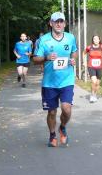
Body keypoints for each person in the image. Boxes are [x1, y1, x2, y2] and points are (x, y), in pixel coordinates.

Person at [32, 12, 77, 147]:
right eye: (56, 21)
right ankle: (52, 135)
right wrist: (46, 57)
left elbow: (74, 51)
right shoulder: (43, 40)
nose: (59, 24)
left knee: (66, 109)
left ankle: (62, 127)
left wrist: (73, 59)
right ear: (51, 23)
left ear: (65, 24)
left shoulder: (70, 37)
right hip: (49, 82)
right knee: (52, 112)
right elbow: (35, 59)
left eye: (61, 21)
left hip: (67, 80)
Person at [83, 34, 102, 103]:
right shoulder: (89, 47)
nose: (96, 40)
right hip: (91, 66)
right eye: (94, 39)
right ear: (93, 40)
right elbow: (84, 53)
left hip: (100, 67)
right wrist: (84, 62)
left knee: (97, 83)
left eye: (97, 39)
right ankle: (92, 95)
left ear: (99, 40)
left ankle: (95, 94)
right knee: (93, 81)